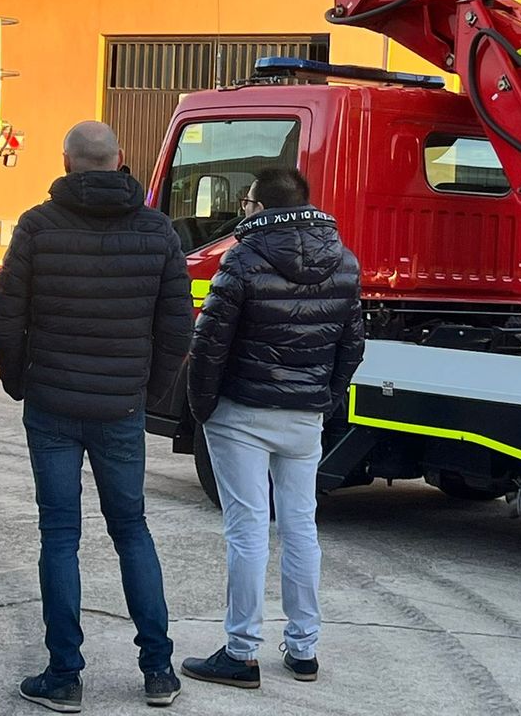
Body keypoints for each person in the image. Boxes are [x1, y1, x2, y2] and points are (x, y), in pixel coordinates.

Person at [0, 121, 193, 712]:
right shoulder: (157, 230)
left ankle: (65, 674)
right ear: (120, 160)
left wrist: (19, 380)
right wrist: (146, 393)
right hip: (121, 408)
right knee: (132, 531)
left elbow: (3, 317)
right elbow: (179, 327)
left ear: (67, 161)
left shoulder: (37, 225)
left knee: (60, 536)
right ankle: (158, 670)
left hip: (52, 404)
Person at [180, 167, 364, 691]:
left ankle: (241, 652)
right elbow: (352, 346)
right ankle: (304, 648)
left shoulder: (242, 258)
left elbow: (210, 343)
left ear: (259, 206)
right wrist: (324, 400)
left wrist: (203, 407)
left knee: (247, 529)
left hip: (241, 411)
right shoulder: (344, 261)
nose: (243, 211)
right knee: (301, 526)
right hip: (304, 415)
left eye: (246, 203)